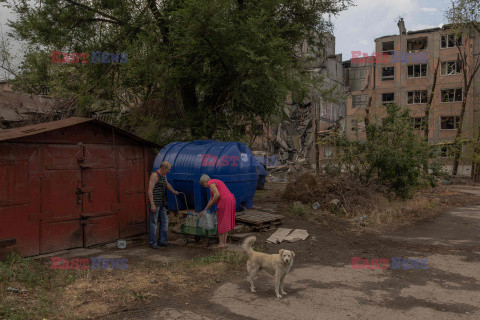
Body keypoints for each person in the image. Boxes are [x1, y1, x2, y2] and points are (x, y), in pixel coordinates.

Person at [148, 161, 179, 249]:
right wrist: (152, 204)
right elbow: (150, 190)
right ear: (164, 168)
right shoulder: (154, 175)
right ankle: (152, 243)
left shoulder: (163, 175)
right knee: (153, 223)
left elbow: (167, 184)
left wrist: (173, 192)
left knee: (165, 221)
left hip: (161, 202)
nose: (169, 171)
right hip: (155, 203)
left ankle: (162, 241)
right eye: (168, 169)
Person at [199, 174, 236, 249]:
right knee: (226, 221)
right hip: (231, 200)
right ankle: (224, 243)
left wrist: (211, 204)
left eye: (203, 184)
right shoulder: (215, 182)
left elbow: (217, 195)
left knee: (222, 222)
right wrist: (205, 209)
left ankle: (221, 244)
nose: (204, 186)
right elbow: (211, 198)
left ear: (204, 181)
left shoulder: (210, 183)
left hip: (224, 201)